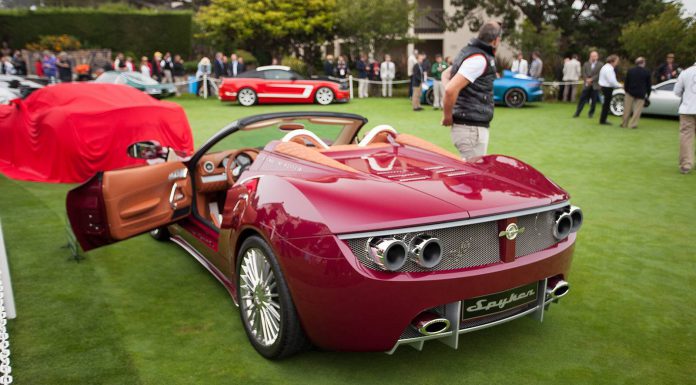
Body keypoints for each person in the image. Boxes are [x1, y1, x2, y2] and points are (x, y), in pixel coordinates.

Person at [442, 21, 501, 159]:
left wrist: (454, 99)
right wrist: (447, 115)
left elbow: (446, 75)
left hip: (468, 128)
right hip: (471, 129)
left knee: (472, 177)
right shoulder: (479, 59)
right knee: (475, 178)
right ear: (496, 40)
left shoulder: (468, 53)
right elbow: (450, 89)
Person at [675, 60, 696, 174]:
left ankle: (686, 164)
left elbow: (677, 92)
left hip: (687, 109)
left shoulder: (686, 72)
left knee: (686, 137)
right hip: (688, 109)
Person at [621, 57, 652, 129]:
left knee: (627, 109)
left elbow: (626, 81)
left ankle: (624, 123)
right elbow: (648, 84)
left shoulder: (630, 70)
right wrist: (648, 93)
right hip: (641, 93)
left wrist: (626, 90)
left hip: (630, 92)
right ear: (643, 63)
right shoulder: (647, 72)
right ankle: (633, 124)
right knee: (637, 110)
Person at [573, 51, 603, 118]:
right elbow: (583, 72)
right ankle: (577, 112)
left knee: (594, 101)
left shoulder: (600, 65)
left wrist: (592, 79)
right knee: (582, 99)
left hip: (595, 85)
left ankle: (591, 114)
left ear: (597, 57)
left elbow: (599, 74)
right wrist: (586, 79)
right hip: (586, 84)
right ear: (590, 56)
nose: (593, 57)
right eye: (592, 56)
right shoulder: (586, 64)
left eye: (595, 56)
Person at [598, 54, 621, 125]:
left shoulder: (605, 67)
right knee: (606, 105)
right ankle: (603, 120)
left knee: (606, 104)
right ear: (612, 61)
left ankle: (603, 119)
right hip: (607, 88)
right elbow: (612, 81)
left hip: (604, 87)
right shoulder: (609, 69)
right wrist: (620, 85)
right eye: (616, 61)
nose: (617, 63)